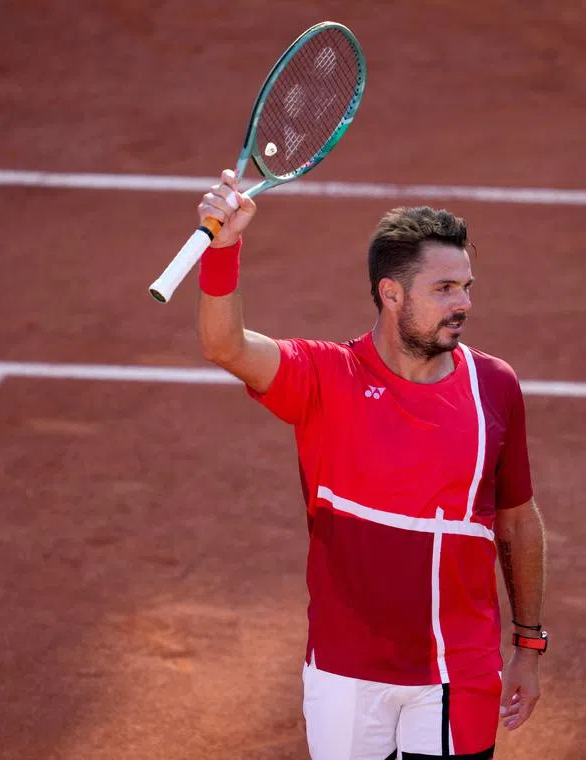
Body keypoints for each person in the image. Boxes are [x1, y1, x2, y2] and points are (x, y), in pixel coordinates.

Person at [194, 170, 549, 760]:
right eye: (444, 289)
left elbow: (518, 520)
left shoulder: (495, 386)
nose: (464, 303)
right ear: (391, 293)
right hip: (345, 672)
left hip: (456, 669)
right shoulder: (325, 378)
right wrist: (224, 249)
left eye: (466, 286)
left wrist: (528, 647)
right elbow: (224, 346)